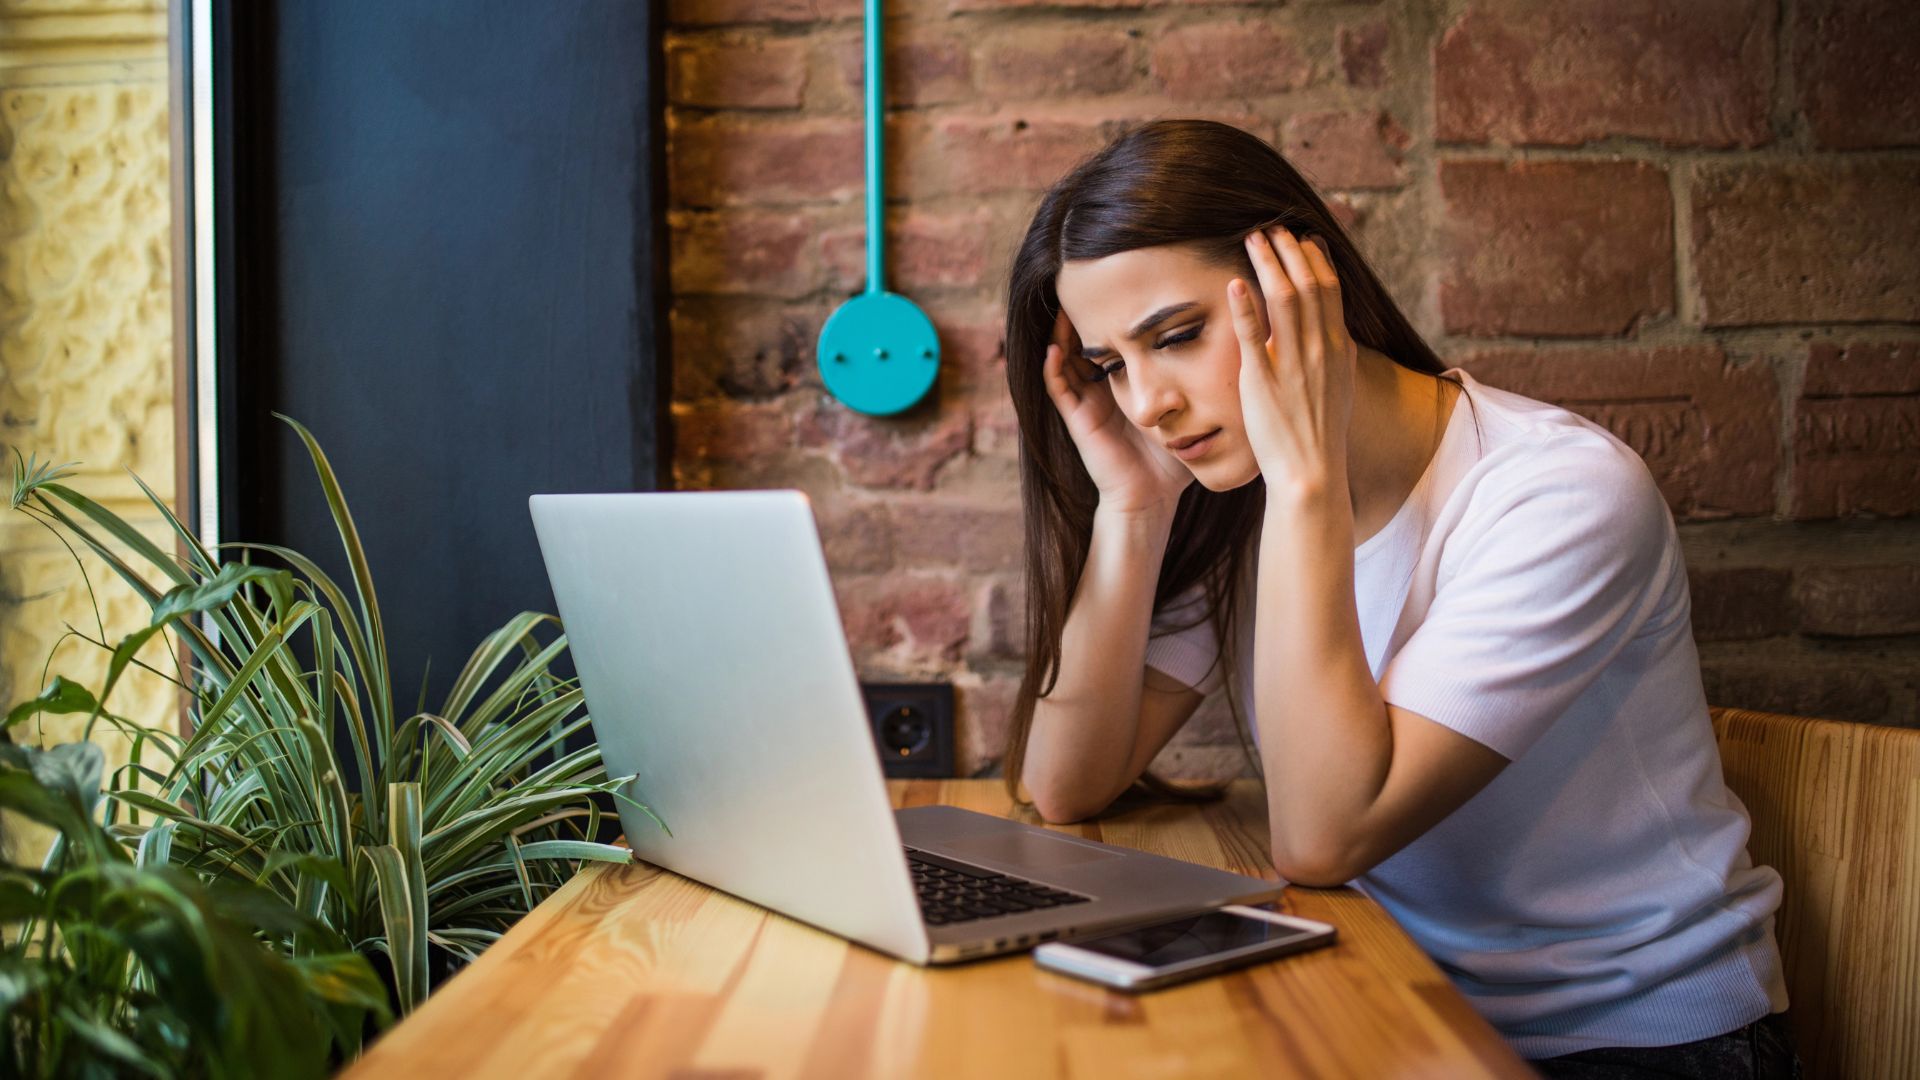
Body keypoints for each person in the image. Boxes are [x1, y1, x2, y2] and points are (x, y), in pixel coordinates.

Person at [999, 118, 1800, 1077]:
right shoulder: (1232, 492)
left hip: (1636, 1039)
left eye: (1176, 336)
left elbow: (1322, 837)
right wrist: (1133, 508)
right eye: (1110, 366)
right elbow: (1065, 782)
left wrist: (1307, 482)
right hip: (1398, 1003)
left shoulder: (1557, 494)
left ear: (1306, 282)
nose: (1145, 404)